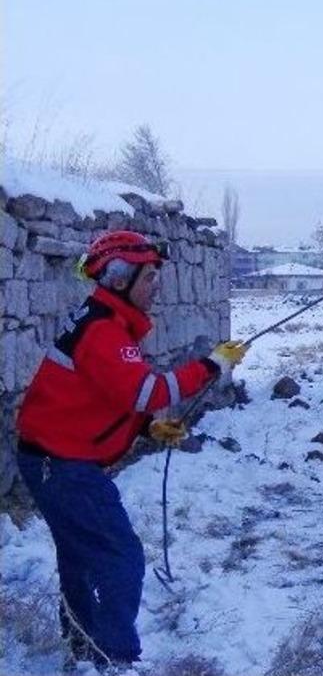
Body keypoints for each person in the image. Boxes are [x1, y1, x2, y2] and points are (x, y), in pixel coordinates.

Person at [14, 230, 247, 669]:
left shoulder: (106, 321)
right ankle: (113, 658)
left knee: (81, 556)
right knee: (121, 558)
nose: (156, 287)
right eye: (149, 279)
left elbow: (106, 396)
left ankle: (84, 649)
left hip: (52, 458)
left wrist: (148, 428)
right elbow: (149, 390)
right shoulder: (103, 330)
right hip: (61, 465)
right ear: (119, 279)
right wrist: (213, 364)